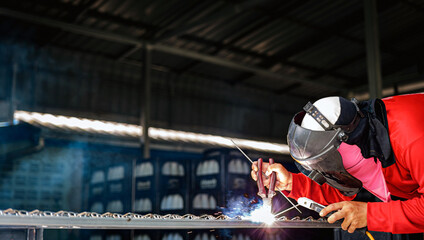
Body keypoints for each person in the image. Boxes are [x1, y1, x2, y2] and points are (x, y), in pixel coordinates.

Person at [251, 93, 424, 234]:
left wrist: (370, 214)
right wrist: (291, 182)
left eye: (325, 164)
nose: (326, 171)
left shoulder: (412, 139)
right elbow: (342, 189)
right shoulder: (369, 138)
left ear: (345, 141)